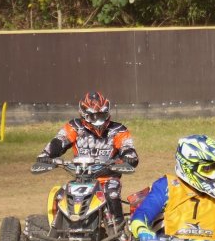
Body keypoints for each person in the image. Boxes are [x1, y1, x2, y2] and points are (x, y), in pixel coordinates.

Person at [34, 91, 139, 233]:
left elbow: (127, 147)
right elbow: (59, 141)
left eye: (101, 115)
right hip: (81, 179)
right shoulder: (74, 127)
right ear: (84, 114)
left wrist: (129, 157)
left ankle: (119, 233)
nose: (98, 120)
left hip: (107, 178)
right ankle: (55, 233)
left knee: (111, 193)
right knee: (60, 194)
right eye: (93, 116)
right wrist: (46, 155)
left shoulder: (118, 130)